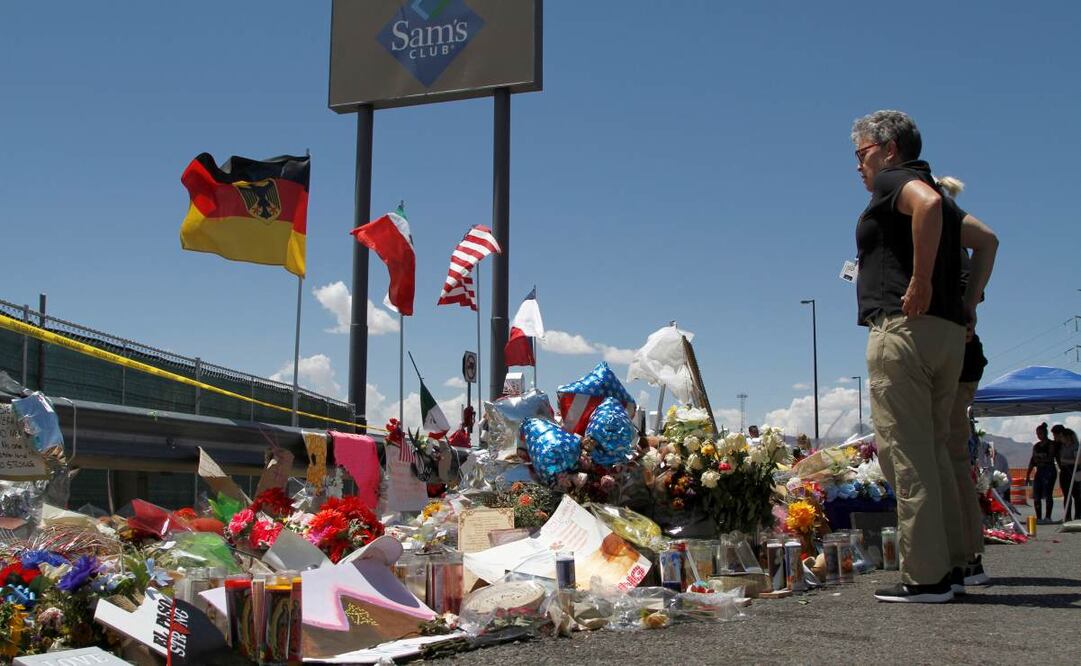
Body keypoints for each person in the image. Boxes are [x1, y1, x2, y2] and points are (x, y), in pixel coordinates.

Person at [851, 110, 994, 603]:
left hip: (903, 330)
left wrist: (921, 281)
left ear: (889, 149)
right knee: (935, 453)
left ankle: (926, 577)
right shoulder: (934, 187)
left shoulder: (897, 181)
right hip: (947, 336)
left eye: (862, 153)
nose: (859, 165)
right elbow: (988, 240)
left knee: (905, 456)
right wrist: (969, 301)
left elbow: (927, 205)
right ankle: (955, 563)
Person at [938, 176, 997, 590]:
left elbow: (990, 240)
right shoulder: (958, 254)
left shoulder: (944, 242)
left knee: (947, 454)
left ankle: (960, 558)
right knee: (953, 454)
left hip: (953, 357)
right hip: (966, 358)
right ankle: (967, 555)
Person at [1025, 423, 1058, 523]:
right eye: (1037, 433)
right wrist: (1028, 475)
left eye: (1040, 433)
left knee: (1048, 494)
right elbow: (1032, 461)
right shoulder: (1036, 446)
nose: (1038, 435)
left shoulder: (1051, 444)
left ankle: (1048, 517)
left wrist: (1040, 458)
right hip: (1039, 471)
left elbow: (1050, 457)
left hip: (1049, 471)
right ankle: (1039, 517)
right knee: (1037, 494)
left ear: (1045, 433)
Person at [1052, 425, 1080, 521]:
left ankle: (1078, 516)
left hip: (1074, 472)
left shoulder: (1076, 446)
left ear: (1067, 437)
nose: (1060, 439)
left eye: (1062, 437)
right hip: (1064, 472)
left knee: (1077, 495)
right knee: (1067, 495)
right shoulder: (1062, 447)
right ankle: (1067, 517)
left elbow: (1078, 461)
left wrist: (1065, 461)